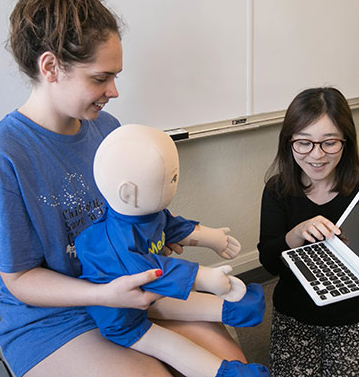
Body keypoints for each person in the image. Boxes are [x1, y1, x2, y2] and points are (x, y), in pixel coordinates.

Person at [0, 0, 246, 375]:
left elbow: (133, 213)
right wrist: (103, 294)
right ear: (50, 68)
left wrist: (158, 239)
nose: (113, 91)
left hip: (130, 288)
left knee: (231, 363)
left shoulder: (108, 129)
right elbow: (20, 279)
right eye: (101, 78)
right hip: (53, 320)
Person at [75, 124, 267, 377]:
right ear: (129, 193)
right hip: (124, 317)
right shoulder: (113, 242)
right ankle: (220, 373)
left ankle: (233, 308)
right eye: (171, 178)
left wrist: (213, 238)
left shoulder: (148, 214)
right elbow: (154, 272)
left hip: (152, 297)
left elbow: (173, 226)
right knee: (172, 346)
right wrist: (203, 277)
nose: (175, 183)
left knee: (182, 301)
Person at [257, 87, 359, 376]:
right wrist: (295, 234)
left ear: (346, 142)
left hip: (350, 315)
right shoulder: (277, 190)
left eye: (329, 143)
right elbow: (269, 262)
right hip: (294, 313)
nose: (317, 155)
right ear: (289, 143)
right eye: (304, 143)